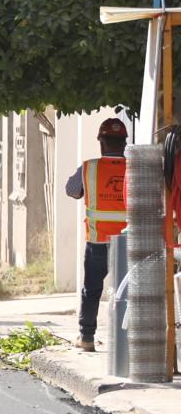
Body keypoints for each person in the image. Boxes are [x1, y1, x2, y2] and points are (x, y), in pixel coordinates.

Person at [65, 117, 129, 352]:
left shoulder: (89, 168)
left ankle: (87, 338)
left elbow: (72, 191)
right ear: (123, 143)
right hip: (128, 241)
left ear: (102, 143)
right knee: (131, 291)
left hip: (98, 240)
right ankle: (129, 342)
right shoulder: (135, 167)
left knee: (92, 290)